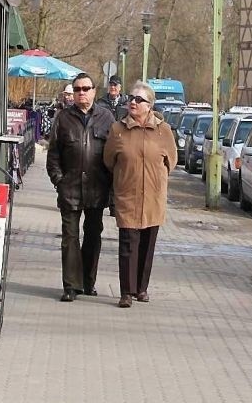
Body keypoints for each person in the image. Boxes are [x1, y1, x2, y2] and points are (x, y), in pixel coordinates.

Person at [103, 81, 177, 308]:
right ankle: (126, 291)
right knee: (128, 244)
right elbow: (108, 161)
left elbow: (171, 161)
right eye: (131, 98)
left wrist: (157, 178)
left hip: (153, 196)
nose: (132, 102)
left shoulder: (163, 130)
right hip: (128, 195)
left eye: (138, 100)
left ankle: (141, 288)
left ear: (149, 106)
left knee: (147, 243)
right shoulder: (118, 129)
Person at [46, 73, 115, 302]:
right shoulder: (63, 118)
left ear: (95, 91)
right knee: (70, 238)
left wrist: (110, 185)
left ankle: (87, 281)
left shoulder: (107, 118)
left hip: (97, 189)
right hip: (71, 188)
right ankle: (71, 286)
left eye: (86, 88)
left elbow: (114, 154)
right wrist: (59, 180)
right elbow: (53, 153)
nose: (81, 93)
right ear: (72, 93)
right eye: (77, 89)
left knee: (93, 236)